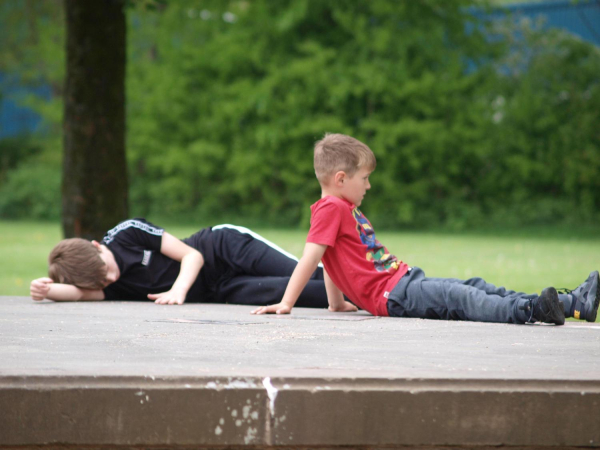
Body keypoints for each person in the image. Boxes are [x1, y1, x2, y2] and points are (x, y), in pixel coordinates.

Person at [252, 133, 599, 325]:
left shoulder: (343, 208)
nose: (369, 187)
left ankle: (571, 303)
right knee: (460, 298)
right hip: (392, 295)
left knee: (472, 286)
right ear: (341, 179)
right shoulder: (330, 208)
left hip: (402, 283)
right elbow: (312, 257)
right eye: (365, 179)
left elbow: (331, 258)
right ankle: (532, 311)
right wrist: (286, 303)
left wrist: (337, 304)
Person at [30, 219, 329, 308]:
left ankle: (370, 279)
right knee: (302, 295)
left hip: (222, 249)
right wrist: (47, 290)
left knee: (306, 274)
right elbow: (80, 294)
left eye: (105, 267)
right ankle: (361, 297)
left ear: (97, 246)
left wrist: (178, 290)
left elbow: (192, 256)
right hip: (221, 289)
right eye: (103, 281)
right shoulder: (102, 284)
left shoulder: (126, 234)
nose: (111, 277)